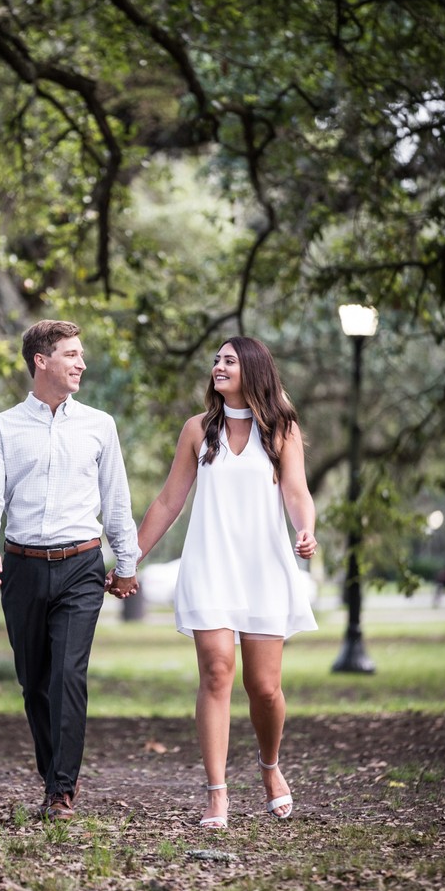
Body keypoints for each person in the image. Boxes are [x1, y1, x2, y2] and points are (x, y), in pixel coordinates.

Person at [135, 336, 317, 828]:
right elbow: (170, 501)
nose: (218, 366)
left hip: (264, 569)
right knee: (216, 673)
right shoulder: (198, 430)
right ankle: (217, 794)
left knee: (264, 688)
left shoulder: (281, 428)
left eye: (229, 360)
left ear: (253, 369)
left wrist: (306, 529)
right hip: (210, 565)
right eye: (216, 360)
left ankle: (270, 766)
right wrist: (130, 557)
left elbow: (297, 493)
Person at [0, 319, 139, 822]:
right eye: (70, 354)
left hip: (82, 566)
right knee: (35, 681)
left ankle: (61, 790)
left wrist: (124, 565)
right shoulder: (3, 427)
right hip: (21, 566)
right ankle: (54, 774)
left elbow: (117, 502)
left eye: (81, 354)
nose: (81, 362)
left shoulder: (99, 425)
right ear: (41, 361)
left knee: (67, 674)